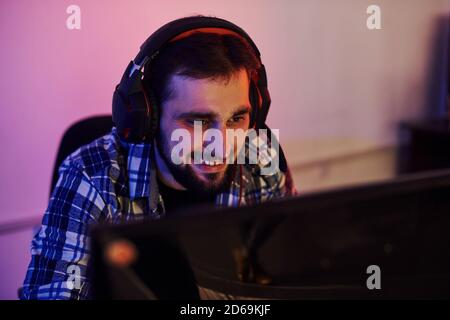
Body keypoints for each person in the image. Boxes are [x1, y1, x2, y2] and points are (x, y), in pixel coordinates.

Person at [21, 15, 296, 300]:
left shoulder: (260, 155)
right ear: (147, 117)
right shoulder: (92, 176)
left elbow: (291, 275)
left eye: (237, 118)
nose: (221, 145)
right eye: (197, 121)